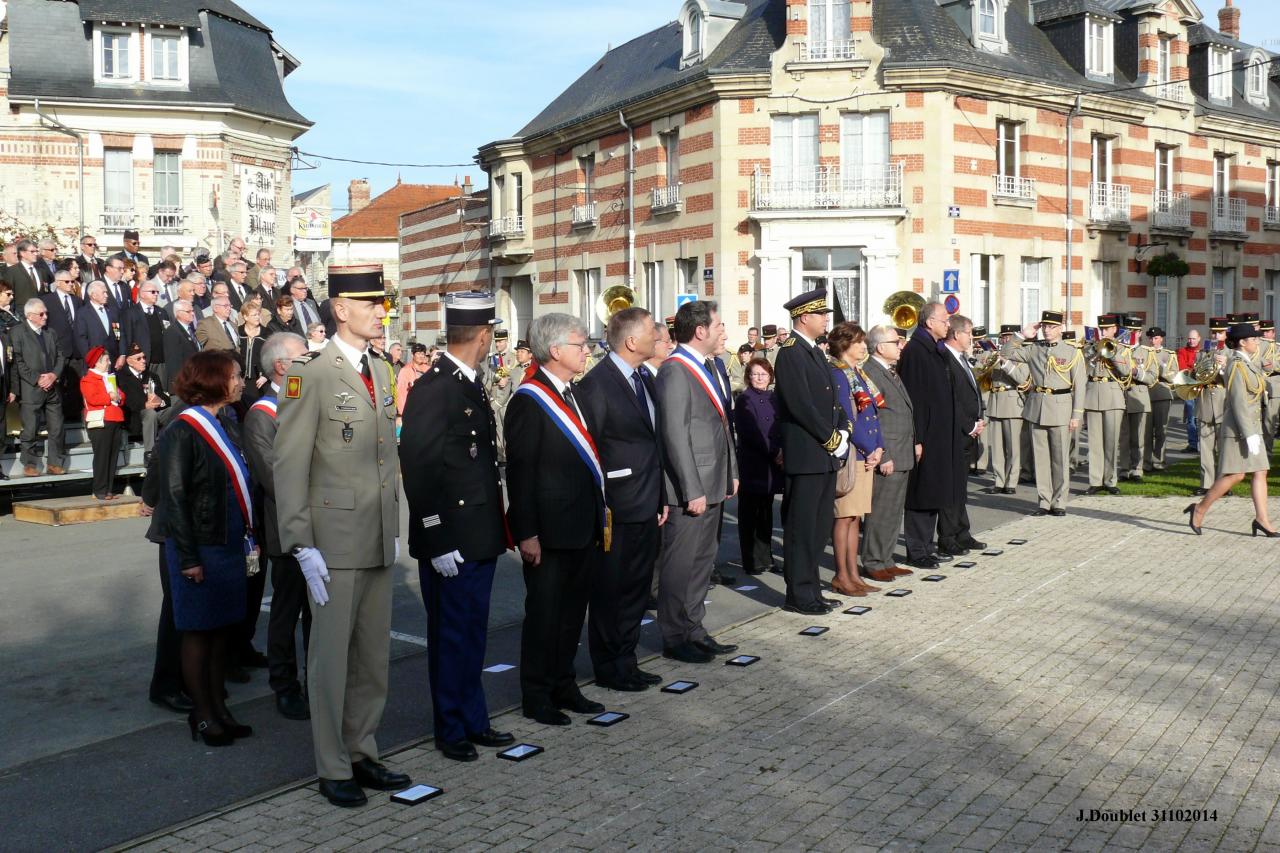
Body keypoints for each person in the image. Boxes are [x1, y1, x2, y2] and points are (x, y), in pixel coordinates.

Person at [274, 265, 408, 808]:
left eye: (383, 303)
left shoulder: (379, 366)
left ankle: (362, 749)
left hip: (375, 531)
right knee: (330, 658)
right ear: (341, 309)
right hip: (332, 536)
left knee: (372, 656)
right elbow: (289, 461)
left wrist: (393, 524)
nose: (381, 311)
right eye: (371, 303)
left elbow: (386, 453)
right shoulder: (312, 371)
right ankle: (332, 765)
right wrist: (300, 543)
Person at [399, 291, 515, 760]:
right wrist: (437, 537)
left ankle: (474, 717)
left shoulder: (467, 382)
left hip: (478, 533)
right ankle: (450, 728)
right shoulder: (435, 387)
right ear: (483, 335)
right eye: (493, 335)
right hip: (452, 538)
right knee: (451, 636)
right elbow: (420, 467)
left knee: (472, 633)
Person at [504, 312, 608, 723]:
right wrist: (526, 532)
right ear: (555, 350)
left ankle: (565, 684)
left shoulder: (572, 392)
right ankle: (537, 694)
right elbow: (521, 471)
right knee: (545, 616)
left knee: (571, 615)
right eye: (580, 345)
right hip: (548, 530)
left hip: (581, 524)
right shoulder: (530, 400)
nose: (586, 351)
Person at [154, 351, 255, 747]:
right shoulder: (182, 429)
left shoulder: (224, 423)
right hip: (199, 548)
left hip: (227, 543)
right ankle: (203, 714)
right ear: (214, 381)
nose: (241, 381)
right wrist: (190, 558)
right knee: (198, 634)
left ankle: (219, 709)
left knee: (220, 636)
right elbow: (175, 498)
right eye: (234, 376)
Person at [577, 308, 665, 692]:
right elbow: (589, 450)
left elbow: (652, 442)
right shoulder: (597, 384)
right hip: (616, 505)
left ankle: (627, 660)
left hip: (647, 499)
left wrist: (661, 495)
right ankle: (609, 666)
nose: (657, 336)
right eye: (651, 332)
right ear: (632, 341)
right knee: (611, 591)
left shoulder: (644, 376)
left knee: (636, 588)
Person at [653, 300, 738, 661]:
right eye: (718, 325)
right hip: (691, 489)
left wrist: (732, 471)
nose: (722, 331)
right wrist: (691, 490)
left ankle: (695, 628)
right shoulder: (676, 370)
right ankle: (675, 636)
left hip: (713, 480)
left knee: (703, 561)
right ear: (700, 330)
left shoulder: (707, 366)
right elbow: (675, 435)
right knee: (680, 565)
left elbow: (721, 425)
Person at [242, 332, 313, 721]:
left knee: (318, 610)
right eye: (304, 355)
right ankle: (285, 685)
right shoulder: (260, 416)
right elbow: (275, 478)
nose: (310, 359)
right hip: (286, 528)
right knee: (287, 611)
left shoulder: (302, 400)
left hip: (321, 521)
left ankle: (318, 679)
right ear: (282, 366)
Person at [774, 288, 849, 612]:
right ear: (805, 317)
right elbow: (800, 405)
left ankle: (812, 590)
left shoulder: (814, 351)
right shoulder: (790, 352)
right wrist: (832, 439)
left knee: (818, 529)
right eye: (822, 315)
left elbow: (831, 399)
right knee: (801, 529)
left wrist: (844, 426)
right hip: (807, 455)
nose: (826, 320)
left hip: (823, 457)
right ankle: (799, 595)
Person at [1187, 323, 1277, 538]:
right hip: (1238, 428)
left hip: (1250, 425)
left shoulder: (1246, 362)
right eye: (1253, 339)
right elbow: (1237, 402)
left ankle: (1262, 519)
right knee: (1235, 475)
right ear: (1242, 343)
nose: (1257, 341)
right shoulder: (1237, 365)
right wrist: (1250, 434)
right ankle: (1199, 509)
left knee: (1260, 471)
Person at [1002, 310, 1086, 516]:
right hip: (1037, 408)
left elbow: (1080, 385)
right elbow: (1005, 353)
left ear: (1060, 328)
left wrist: (1076, 415)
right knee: (1040, 459)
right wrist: (1022, 334)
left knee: (1060, 458)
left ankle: (1059, 502)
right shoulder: (1034, 349)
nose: (1047, 330)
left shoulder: (1072, 352)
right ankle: (1043, 501)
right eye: (1045, 326)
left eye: (1052, 327)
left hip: (1061, 408)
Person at [897, 302, 961, 569]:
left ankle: (927, 546)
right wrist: (917, 438)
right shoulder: (915, 351)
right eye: (945, 320)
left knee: (933, 490)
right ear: (930, 322)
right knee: (921, 492)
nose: (948, 325)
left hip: (940, 433)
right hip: (925, 434)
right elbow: (914, 399)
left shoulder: (935, 349)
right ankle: (917, 549)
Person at [859, 325, 919, 582]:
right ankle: (873, 561)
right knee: (881, 510)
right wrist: (884, 455)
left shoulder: (888, 371)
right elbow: (874, 418)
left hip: (903, 449)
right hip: (889, 453)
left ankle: (886, 558)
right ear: (881, 347)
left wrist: (915, 441)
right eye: (896, 342)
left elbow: (903, 411)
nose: (900, 346)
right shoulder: (871, 372)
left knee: (894, 510)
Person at [827, 322, 883, 596]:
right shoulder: (838, 374)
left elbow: (872, 412)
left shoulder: (857, 373)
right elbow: (848, 418)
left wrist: (880, 446)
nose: (864, 347)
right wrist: (868, 448)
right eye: (858, 342)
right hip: (852, 453)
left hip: (867, 453)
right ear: (844, 345)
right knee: (844, 516)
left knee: (854, 518)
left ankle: (853, 574)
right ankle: (842, 575)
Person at [939, 315, 985, 554]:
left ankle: (962, 532)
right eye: (969, 333)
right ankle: (947, 536)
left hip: (968, 431)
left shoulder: (962, 358)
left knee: (961, 487)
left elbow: (972, 393)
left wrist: (980, 416)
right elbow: (951, 399)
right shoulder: (945, 358)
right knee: (951, 488)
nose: (972, 338)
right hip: (955, 433)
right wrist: (969, 425)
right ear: (957, 334)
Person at [733, 357, 782, 576]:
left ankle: (766, 557)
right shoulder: (745, 399)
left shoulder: (774, 398)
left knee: (766, 513)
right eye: (755, 374)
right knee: (749, 514)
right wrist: (775, 452)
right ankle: (751, 560)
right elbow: (751, 433)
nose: (759, 378)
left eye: (763, 374)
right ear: (748, 376)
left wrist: (782, 450)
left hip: (773, 464)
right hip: (754, 463)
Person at [10, 299, 68, 476]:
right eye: (41, 314)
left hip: (52, 386)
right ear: (29, 315)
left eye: (46, 313)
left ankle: (55, 463)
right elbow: (17, 362)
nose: (45, 317)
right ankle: (29, 464)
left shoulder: (50, 332)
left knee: (57, 426)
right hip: (31, 388)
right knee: (30, 427)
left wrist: (53, 375)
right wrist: (37, 379)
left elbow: (60, 356)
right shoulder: (17, 332)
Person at [984, 325, 1030, 494]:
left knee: (1013, 447)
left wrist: (1006, 365)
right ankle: (998, 480)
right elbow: (985, 378)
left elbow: (1023, 381)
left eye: (1009, 337)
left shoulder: (1022, 357)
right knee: (996, 447)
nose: (1005, 341)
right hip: (995, 402)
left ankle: (1011, 482)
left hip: (1012, 403)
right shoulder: (995, 356)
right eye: (1003, 338)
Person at [79, 346, 126, 500]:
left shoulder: (109, 377)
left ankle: (108, 489)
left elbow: (122, 395)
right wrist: (110, 396)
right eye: (106, 360)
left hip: (114, 418)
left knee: (112, 456)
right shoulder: (88, 379)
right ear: (97, 363)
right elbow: (93, 398)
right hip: (101, 421)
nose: (109, 362)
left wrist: (117, 396)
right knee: (102, 456)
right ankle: (99, 490)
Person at [1193, 318, 1229, 496]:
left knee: (1224, 446)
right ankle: (1206, 483)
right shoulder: (1201, 352)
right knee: (1205, 447)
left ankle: (1223, 484)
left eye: (1220, 333)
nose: (1216, 335)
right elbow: (1195, 375)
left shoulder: (1231, 354)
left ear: (1225, 334)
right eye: (1214, 332)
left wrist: (1224, 367)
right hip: (1205, 400)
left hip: (1223, 401)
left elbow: (1235, 379)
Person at [117, 342, 171, 455]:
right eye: (139, 358)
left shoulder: (152, 375)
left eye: (144, 357)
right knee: (150, 413)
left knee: (178, 406)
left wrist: (160, 401)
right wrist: (145, 405)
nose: (143, 361)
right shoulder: (121, 377)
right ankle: (150, 453)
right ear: (129, 361)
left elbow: (164, 396)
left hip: (156, 411)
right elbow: (126, 401)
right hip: (135, 416)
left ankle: (175, 445)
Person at [121, 277, 171, 388]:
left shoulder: (161, 312)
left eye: (157, 292)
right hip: (143, 360)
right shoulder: (131, 313)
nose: (156, 294)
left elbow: (167, 332)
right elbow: (127, 337)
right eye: (153, 292)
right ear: (142, 294)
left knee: (162, 389)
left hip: (161, 359)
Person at [486, 328, 515, 460]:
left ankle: (509, 457)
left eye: (501, 341)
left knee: (506, 431)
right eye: (496, 341)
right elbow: (490, 379)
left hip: (506, 401)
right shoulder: (492, 358)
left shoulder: (512, 358)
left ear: (506, 341)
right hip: (494, 398)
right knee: (496, 429)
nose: (498, 344)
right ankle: (500, 457)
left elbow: (514, 377)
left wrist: (507, 379)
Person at [163, 300, 202, 394]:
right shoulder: (172, 332)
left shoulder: (190, 329)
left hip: (195, 379)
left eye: (192, 311)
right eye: (188, 311)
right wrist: (181, 383)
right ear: (178, 313)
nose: (192, 314)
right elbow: (173, 361)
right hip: (185, 383)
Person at [237, 300, 268, 405]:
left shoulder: (266, 333)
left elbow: (272, 357)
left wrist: (266, 376)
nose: (257, 317)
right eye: (254, 315)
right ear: (245, 317)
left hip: (260, 380)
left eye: (258, 314)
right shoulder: (238, 332)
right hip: (241, 379)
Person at [1177, 328, 1203, 452]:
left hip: (1202, 388)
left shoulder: (1203, 352)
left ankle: (1203, 444)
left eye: (1193, 338)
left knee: (1203, 418)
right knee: (1191, 418)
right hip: (1189, 388)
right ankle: (1193, 444)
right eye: (1189, 338)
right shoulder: (1182, 351)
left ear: (1199, 338)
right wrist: (1195, 369)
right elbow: (1183, 369)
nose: (1191, 341)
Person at [5, 239, 44, 305]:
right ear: (22, 253)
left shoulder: (42, 271)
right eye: (32, 251)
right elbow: (7, 295)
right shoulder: (12, 272)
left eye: (36, 251)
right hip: (20, 313)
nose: (36, 254)